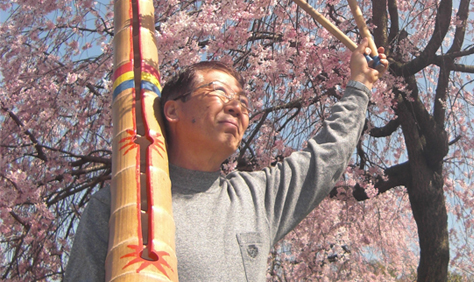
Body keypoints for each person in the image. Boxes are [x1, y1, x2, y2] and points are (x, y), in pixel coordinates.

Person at [65, 39, 388, 281]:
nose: (237, 107)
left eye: (244, 102)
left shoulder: (255, 197)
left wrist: (360, 84)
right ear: (173, 110)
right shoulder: (118, 203)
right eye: (219, 92)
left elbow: (327, 155)